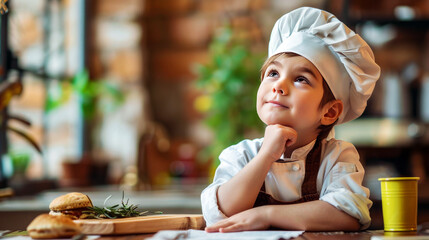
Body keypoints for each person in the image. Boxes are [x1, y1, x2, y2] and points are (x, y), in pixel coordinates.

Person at [200, 7, 381, 232]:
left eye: (301, 79)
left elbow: (348, 214)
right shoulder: (242, 155)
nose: (279, 86)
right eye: (273, 73)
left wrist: (266, 214)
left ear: (330, 112)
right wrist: (266, 155)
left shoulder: (336, 157)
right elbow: (219, 212)